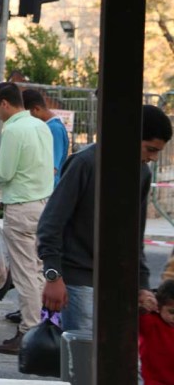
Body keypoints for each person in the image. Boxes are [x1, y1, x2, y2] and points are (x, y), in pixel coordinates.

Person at [37, 104, 172, 334]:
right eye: (150, 149)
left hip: (118, 285)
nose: (153, 158)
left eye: (157, 152)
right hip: (79, 281)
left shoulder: (142, 173)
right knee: (84, 352)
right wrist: (53, 276)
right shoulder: (85, 163)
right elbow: (50, 224)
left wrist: (142, 285)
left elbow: (135, 237)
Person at [0, 81, 54, 355]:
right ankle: (38, 328)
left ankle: (28, 333)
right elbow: (27, 162)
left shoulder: (14, 130)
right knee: (37, 271)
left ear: (5, 104)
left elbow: (5, 174)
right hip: (43, 206)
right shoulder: (40, 125)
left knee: (25, 274)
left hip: (21, 208)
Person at [22, 89, 70, 186]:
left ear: (36, 109)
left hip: (49, 189)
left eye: (26, 115)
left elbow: (52, 169)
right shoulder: (46, 126)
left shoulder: (54, 129)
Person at [139, 279, 174, 385]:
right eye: (172, 312)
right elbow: (134, 315)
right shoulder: (151, 322)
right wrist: (144, 306)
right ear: (158, 307)